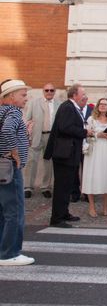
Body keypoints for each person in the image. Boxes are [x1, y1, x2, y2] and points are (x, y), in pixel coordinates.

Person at [44, 84, 95, 228]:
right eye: (82, 93)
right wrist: (85, 132)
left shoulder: (72, 107)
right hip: (64, 154)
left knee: (66, 187)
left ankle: (64, 213)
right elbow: (65, 127)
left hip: (70, 153)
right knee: (61, 187)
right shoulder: (67, 107)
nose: (85, 96)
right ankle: (57, 219)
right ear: (74, 95)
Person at [0, 79, 35, 266]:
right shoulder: (13, 112)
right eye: (22, 95)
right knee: (15, 212)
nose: (26, 99)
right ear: (11, 96)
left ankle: (2, 250)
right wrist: (13, 152)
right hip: (10, 167)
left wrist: (25, 134)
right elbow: (6, 131)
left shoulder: (1, 111)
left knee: (3, 211)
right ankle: (9, 253)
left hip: (1, 167)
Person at [82, 98, 107, 218]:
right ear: (97, 106)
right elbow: (86, 135)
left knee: (106, 177)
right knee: (91, 176)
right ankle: (92, 207)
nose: (103, 106)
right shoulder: (91, 119)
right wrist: (97, 134)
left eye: (105, 104)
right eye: (101, 104)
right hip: (94, 151)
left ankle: (105, 206)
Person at [23, 83, 60, 199]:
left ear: (55, 91)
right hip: (36, 135)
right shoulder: (34, 103)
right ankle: (28, 187)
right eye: (46, 90)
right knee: (31, 161)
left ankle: (46, 187)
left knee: (48, 162)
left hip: (52, 137)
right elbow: (27, 120)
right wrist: (27, 136)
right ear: (43, 91)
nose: (49, 92)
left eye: (51, 90)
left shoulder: (59, 104)